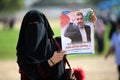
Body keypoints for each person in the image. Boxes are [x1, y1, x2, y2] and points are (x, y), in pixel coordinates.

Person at [16, 10, 66, 80]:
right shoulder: (22, 51)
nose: (35, 28)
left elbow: (79, 40)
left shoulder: (57, 43)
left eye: (38, 23)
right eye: (31, 24)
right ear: (25, 28)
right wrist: (51, 62)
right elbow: (32, 73)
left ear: (45, 25)